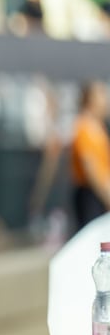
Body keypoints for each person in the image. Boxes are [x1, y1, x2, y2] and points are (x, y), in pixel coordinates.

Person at [70, 79, 110, 231]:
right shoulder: (84, 128)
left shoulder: (98, 127)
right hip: (90, 195)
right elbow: (91, 169)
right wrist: (107, 196)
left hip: (98, 193)